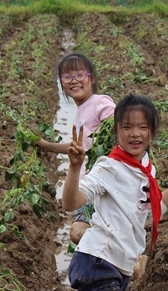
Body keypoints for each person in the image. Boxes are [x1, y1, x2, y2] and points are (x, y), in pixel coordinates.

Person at [63, 94, 168, 291]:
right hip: (98, 261)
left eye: (143, 127)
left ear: (152, 132)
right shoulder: (108, 167)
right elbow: (72, 203)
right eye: (127, 127)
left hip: (120, 265)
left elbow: (156, 210)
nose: (135, 134)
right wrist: (74, 169)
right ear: (116, 130)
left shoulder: (146, 169)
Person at [34, 52, 115, 244]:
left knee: (78, 232)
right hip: (89, 182)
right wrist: (48, 146)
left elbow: (117, 123)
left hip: (102, 184)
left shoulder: (100, 103)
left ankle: (126, 255)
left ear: (91, 78)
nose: (74, 81)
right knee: (80, 232)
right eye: (67, 77)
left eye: (80, 75)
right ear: (61, 83)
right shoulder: (81, 111)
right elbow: (81, 147)